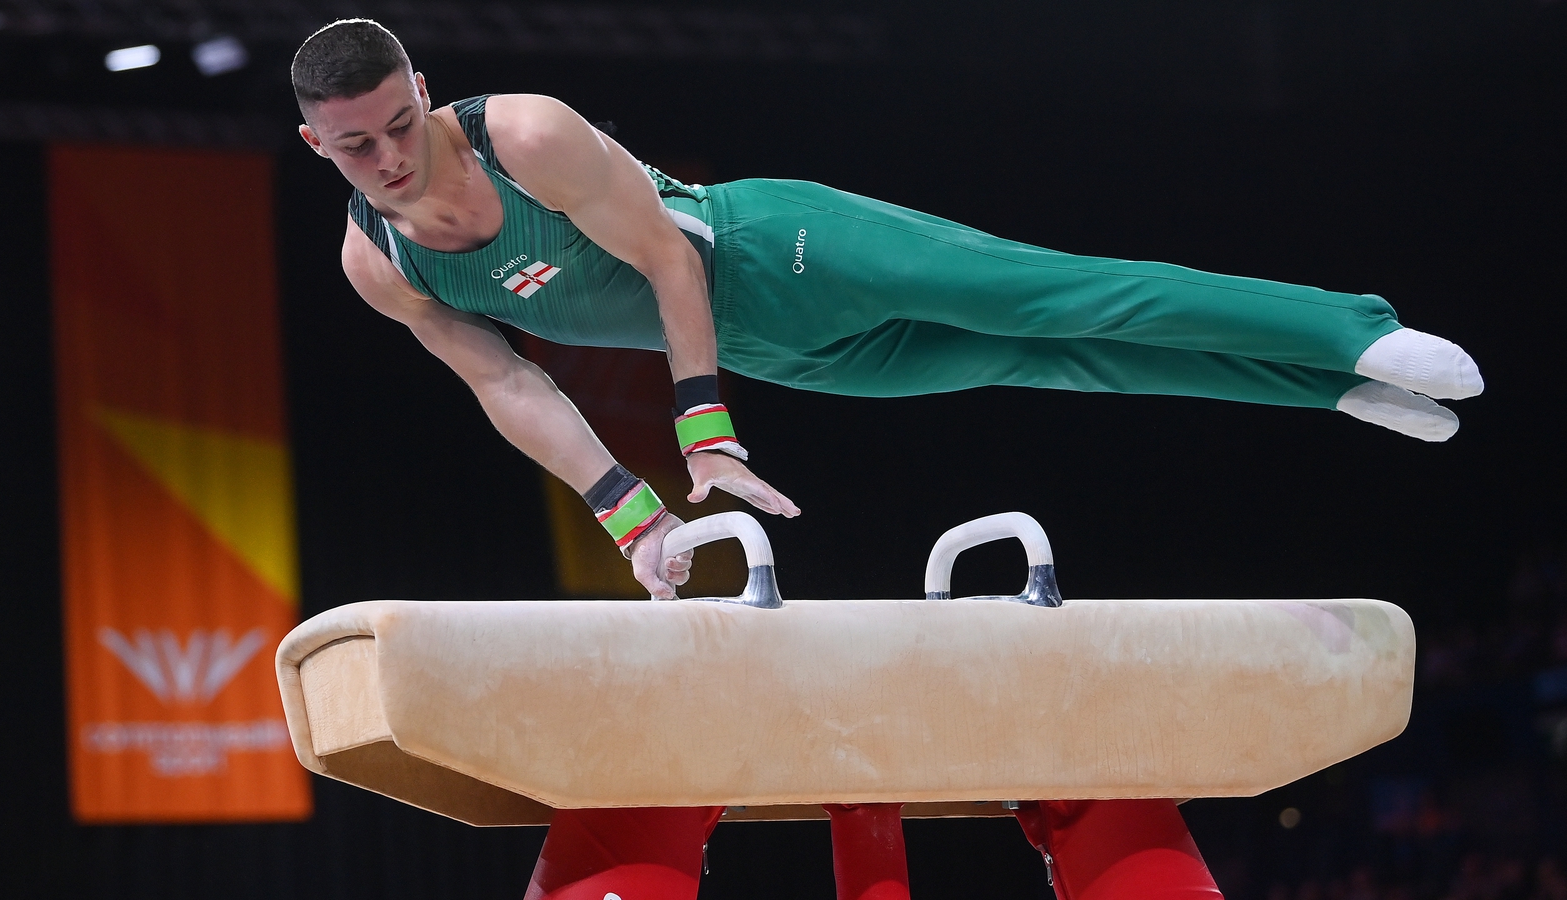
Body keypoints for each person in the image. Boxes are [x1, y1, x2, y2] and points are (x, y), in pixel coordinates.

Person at [291, 19, 1475, 900]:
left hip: (784, 254)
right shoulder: (378, 263)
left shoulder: (524, 136)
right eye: (358, 146)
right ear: (316, 144)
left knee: (1052, 298)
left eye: (402, 123)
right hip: (786, 353)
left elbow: (668, 261)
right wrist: (631, 516)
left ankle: (1348, 328)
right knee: (1051, 363)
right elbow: (508, 380)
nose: (391, 157)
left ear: (424, 92)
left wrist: (702, 429)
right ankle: (1330, 387)